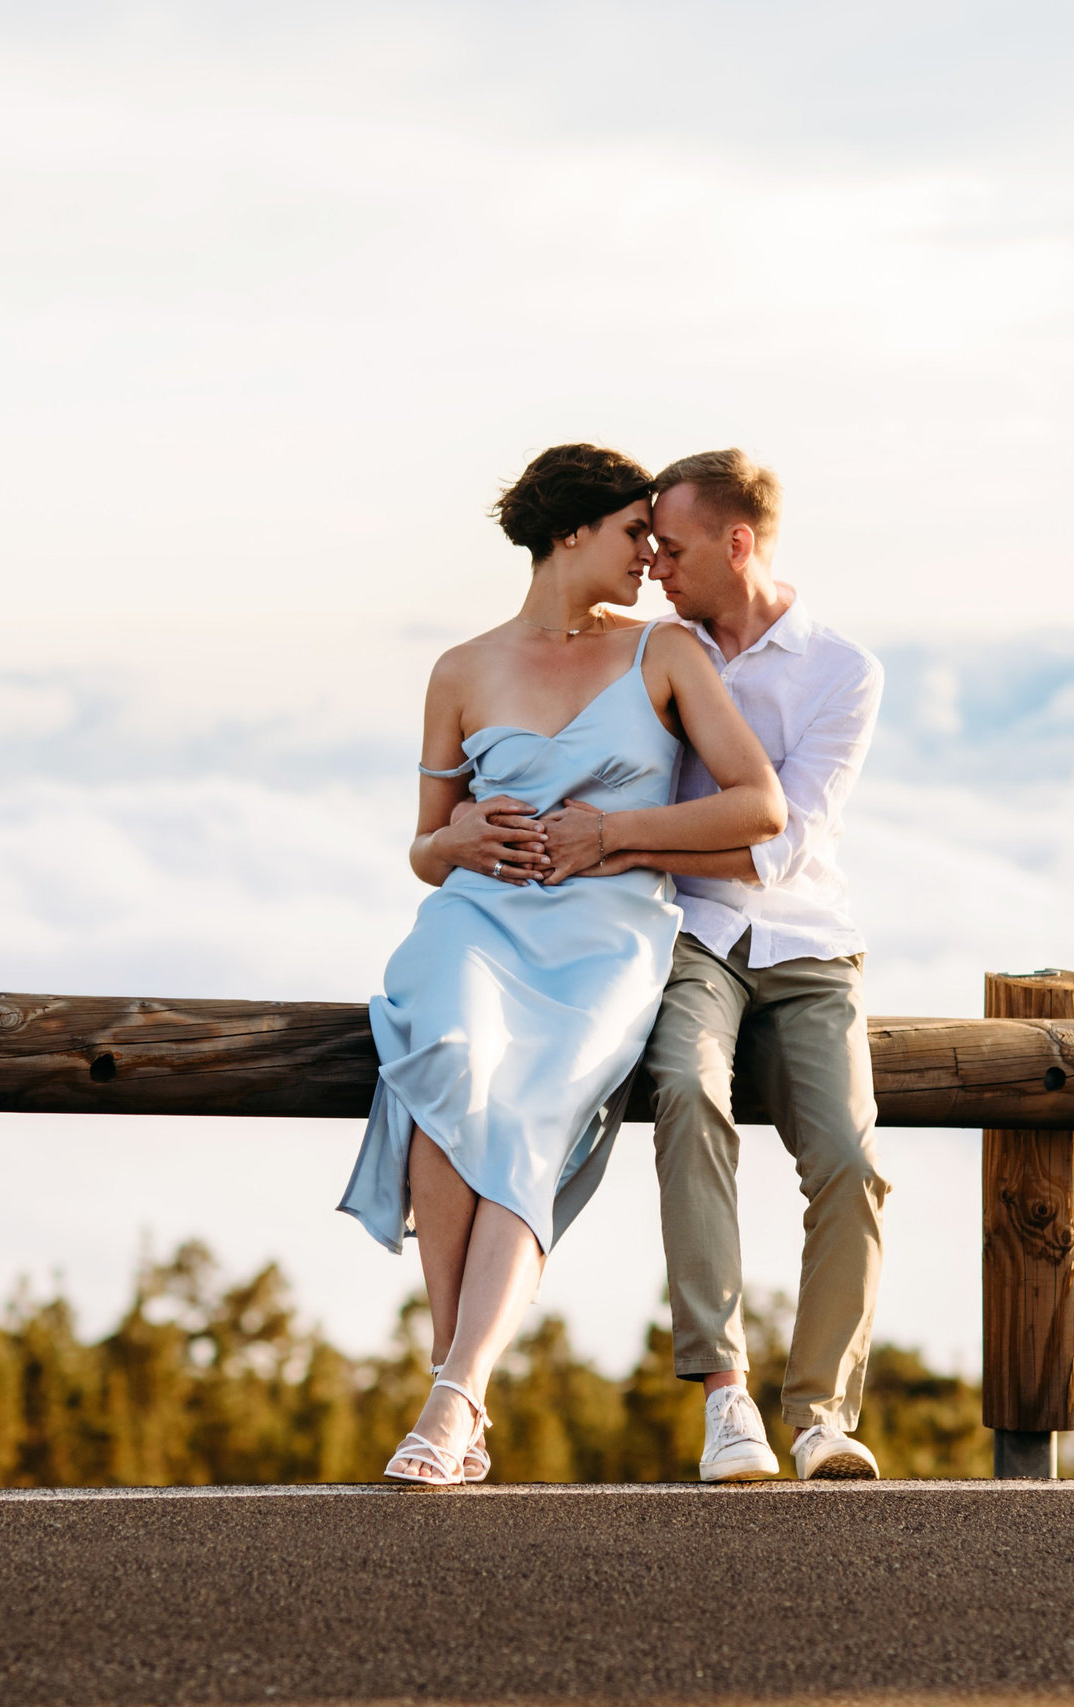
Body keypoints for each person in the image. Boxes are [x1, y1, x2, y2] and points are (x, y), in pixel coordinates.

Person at [339, 443, 787, 1487]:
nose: (651, 555)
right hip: (476, 925)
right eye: (634, 533)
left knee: (533, 1108)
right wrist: (462, 839)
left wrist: (615, 832)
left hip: (606, 934)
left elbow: (758, 806)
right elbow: (422, 848)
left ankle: (452, 1399)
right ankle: (459, 1395)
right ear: (569, 534)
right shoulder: (460, 669)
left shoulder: (665, 655)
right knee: (447, 1062)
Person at [590, 449, 890, 1482]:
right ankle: (727, 1400)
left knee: (850, 1161)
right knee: (684, 1088)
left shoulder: (843, 670)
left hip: (810, 945)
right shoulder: (659, 652)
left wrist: (620, 837)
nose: (654, 567)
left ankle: (821, 1416)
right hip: (690, 934)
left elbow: (780, 847)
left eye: (670, 549)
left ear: (738, 542)